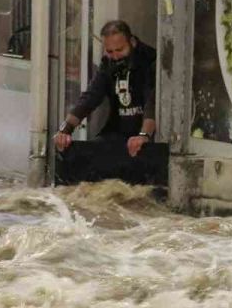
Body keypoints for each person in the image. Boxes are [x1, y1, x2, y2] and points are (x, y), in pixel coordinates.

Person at [53, 20, 166, 186]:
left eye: (120, 50)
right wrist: (66, 129)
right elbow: (91, 97)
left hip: (148, 133)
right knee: (80, 159)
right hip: (118, 132)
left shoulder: (150, 60)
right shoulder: (108, 63)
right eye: (110, 51)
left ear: (132, 42)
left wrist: (143, 135)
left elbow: (153, 101)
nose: (115, 56)